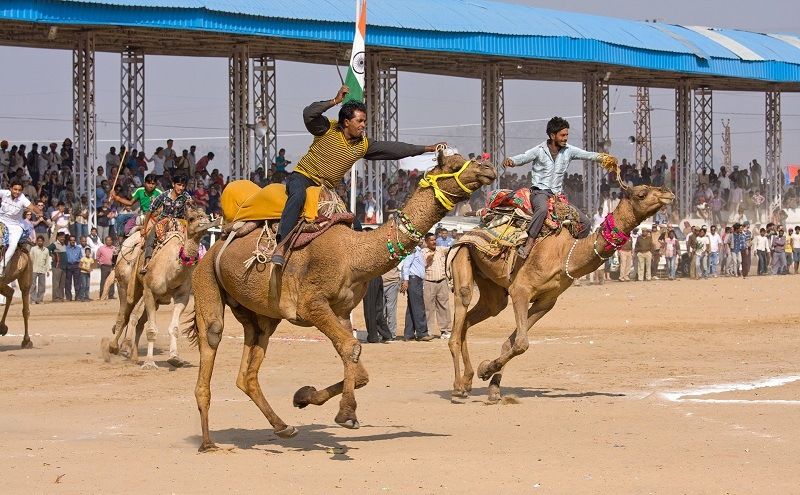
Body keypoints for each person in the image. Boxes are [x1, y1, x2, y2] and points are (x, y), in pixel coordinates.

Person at [271, 84, 444, 266]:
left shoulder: (363, 145)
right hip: (302, 177)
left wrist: (428, 148)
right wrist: (335, 101)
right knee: (298, 196)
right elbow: (309, 114)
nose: (363, 126)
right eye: (359, 121)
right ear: (346, 122)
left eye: (364, 122)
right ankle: (281, 245)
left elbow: (395, 149)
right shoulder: (327, 128)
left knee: (355, 224)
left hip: (326, 190)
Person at [502, 116, 617, 258]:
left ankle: (573, 252)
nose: (565, 138)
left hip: (558, 196)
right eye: (562, 135)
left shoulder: (569, 151)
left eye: (567, 135)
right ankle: (528, 244)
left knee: (585, 222)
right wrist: (511, 161)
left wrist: (604, 157)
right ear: (552, 135)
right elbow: (524, 157)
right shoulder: (539, 150)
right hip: (540, 193)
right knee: (542, 209)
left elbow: (587, 155)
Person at [140, 174, 193, 274]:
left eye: (183, 185)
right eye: (179, 185)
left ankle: (192, 263)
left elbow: (191, 204)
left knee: (191, 239)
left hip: (180, 222)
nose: (181, 188)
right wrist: (144, 227)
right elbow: (150, 210)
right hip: (163, 222)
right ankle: (146, 263)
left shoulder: (185, 196)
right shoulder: (164, 196)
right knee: (151, 238)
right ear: (173, 184)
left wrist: (190, 204)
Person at [0, 180, 44, 275]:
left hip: (15, 225)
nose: (17, 192)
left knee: (13, 245)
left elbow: (32, 207)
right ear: (10, 189)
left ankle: (1, 267)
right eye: (15, 189)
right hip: (1, 221)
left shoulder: (23, 199)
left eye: (19, 190)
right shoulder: (4, 193)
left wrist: (38, 212)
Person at [400, 243, 433, 342]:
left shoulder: (418, 251)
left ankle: (409, 334)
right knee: (419, 306)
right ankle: (422, 333)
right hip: (413, 279)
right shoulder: (413, 250)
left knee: (412, 307)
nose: (423, 241)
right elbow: (406, 266)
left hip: (416, 280)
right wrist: (405, 280)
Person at [421, 232, 451, 339]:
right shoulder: (423, 252)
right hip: (429, 282)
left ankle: (446, 330)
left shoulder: (441, 250)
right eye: (431, 240)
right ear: (426, 242)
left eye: (435, 240)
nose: (434, 242)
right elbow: (425, 262)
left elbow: (451, 248)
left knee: (444, 306)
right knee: (428, 308)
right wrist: (430, 257)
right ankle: (429, 331)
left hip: (442, 282)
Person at [29, 235, 50, 304]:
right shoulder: (33, 249)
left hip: (42, 270)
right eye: (38, 241)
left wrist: (47, 270)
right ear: (36, 242)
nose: (40, 242)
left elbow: (47, 261)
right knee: (33, 285)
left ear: (43, 242)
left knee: (42, 286)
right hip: (34, 269)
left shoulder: (46, 250)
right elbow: (30, 259)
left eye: (41, 241)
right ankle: (33, 299)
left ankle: (39, 300)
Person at [48, 231, 67, 302]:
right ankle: (55, 298)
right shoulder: (54, 244)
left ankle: (61, 297)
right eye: (61, 237)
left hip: (63, 267)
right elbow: (47, 249)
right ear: (58, 237)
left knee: (62, 284)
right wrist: (52, 255)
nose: (62, 238)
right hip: (56, 266)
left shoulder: (64, 245)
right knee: (56, 283)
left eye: (63, 237)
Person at [64, 235, 83, 301]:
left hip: (76, 266)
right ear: (69, 241)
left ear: (75, 241)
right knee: (68, 283)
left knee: (77, 282)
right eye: (71, 240)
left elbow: (81, 258)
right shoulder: (66, 248)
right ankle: (68, 297)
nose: (72, 241)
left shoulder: (78, 248)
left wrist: (79, 265)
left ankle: (78, 297)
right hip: (68, 266)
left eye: (73, 240)